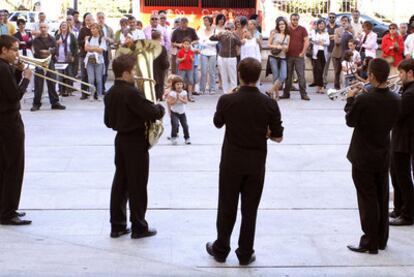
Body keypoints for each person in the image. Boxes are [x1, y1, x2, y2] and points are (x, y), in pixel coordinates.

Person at [206, 57, 284, 265]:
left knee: (226, 206)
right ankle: (245, 252)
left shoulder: (227, 100)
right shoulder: (269, 103)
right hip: (256, 162)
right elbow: (278, 136)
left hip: (231, 161)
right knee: (250, 210)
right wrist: (264, 133)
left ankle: (221, 249)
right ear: (258, 76)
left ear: (239, 75)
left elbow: (217, 123)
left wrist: (227, 97)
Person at [104, 54, 165, 239]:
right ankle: (139, 226)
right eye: (134, 71)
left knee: (120, 183)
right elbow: (152, 112)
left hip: (120, 141)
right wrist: (160, 107)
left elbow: (108, 121)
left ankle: (118, 225)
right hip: (135, 142)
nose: (136, 74)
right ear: (125, 73)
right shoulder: (131, 92)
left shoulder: (111, 92)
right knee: (137, 185)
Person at [345, 58, 400, 254]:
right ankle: (381, 238)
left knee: (367, 199)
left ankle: (370, 241)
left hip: (362, 155)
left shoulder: (364, 99)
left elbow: (350, 120)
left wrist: (351, 97)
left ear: (372, 76)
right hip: (383, 152)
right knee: (382, 196)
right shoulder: (396, 99)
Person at [0, 35, 33, 225]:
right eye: (13, 49)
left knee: (4, 165)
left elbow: (8, 89)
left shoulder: (5, 68)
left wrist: (19, 73)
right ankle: (8, 211)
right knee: (14, 166)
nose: (17, 53)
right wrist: (27, 79)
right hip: (9, 121)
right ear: (4, 50)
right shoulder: (3, 68)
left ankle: (4, 208)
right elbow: (14, 95)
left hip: (4, 121)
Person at [389, 59, 414, 226]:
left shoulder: (411, 93)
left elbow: (397, 114)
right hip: (401, 138)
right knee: (396, 175)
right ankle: (399, 208)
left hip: (405, 140)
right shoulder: (408, 89)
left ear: (410, 73)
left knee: (402, 177)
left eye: (401, 73)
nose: (399, 76)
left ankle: (408, 214)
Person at [31, 23, 66, 111]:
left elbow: (55, 51)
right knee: (38, 84)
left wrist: (46, 51)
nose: (43, 29)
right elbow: (38, 52)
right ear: (39, 28)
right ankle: (36, 104)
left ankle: (55, 103)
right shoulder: (36, 40)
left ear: (47, 28)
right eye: (41, 27)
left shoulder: (52, 39)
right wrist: (49, 51)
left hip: (50, 63)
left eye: (44, 27)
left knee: (52, 82)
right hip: (39, 63)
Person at [281, 13, 310, 100]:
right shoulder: (287, 29)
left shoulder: (302, 29)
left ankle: (303, 94)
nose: (295, 21)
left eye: (296, 19)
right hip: (288, 56)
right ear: (290, 20)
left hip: (299, 56)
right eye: (293, 19)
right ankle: (286, 94)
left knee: (301, 76)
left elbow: (306, 41)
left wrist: (303, 52)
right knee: (288, 76)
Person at [210, 22, 241, 94]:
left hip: (231, 57)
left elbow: (239, 43)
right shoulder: (222, 35)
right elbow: (211, 38)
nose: (227, 30)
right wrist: (217, 34)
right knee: (224, 76)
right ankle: (226, 92)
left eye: (229, 28)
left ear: (233, 29)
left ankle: (234, 91)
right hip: (221, 57)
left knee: (233, 75)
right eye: (226, 28)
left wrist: (233, 34)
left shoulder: (234, 35)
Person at [267, 16, 290, 99]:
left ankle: (271, 91)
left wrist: (285, 48)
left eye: (283, 24)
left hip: (283, 58)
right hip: (273, 57)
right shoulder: (274, 33)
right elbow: (268, 44)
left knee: (283, 76)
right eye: (280, 24)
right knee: (275, 77)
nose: (281, 25)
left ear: (285, 25)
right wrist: (276, 46)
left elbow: (287, 49)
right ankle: (276, 95)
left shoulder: (288, 36)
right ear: (277, 25)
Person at [55, 21, 78, 97]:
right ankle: (61, 91)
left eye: (65, 25)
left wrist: (73, 56)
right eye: (62, 25)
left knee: (69, 74)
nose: (64, 26)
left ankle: (69, 91)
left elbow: (75, 47)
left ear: (68, 27)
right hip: (59, 57)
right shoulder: (57, 36)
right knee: (60, 75)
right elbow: (53, 45)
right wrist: (57, 42)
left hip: (68, 57)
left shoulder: (71, 35)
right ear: (60, 27)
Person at [84, 23, 106, 101]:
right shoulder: (88, 38)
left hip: (99, 61)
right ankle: (91, 94)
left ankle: (99, 94)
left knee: (99, 79)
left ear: (98, 29)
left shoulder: (102, 39)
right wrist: (96, 48)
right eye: (91, 29)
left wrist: (91, 48)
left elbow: (101, 50)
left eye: (94, 28)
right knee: (91, 79)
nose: (92, 30)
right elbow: (86, 48)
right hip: (89, 61)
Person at [167, 76, 191, 145]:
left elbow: (186, 102)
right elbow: (170, 103)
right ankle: (173, 137)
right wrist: (176, 99)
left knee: (185, 125)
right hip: (174, 112)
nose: (179, 86)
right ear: (174, 85)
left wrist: (180, 98)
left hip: (182, 113)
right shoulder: (172, 93)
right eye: (177, 84)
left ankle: (187, 138)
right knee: (175, 124)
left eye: (180, 84)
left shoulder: (184, 92)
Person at [198, 16, 218, 95]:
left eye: (206, 20)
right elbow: (200, 41)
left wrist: (206, 41)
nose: (205, 22)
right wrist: (208, 41)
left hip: (213, 53)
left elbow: (216, 42)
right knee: (203, 71)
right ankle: (202, 89)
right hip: (203, 53)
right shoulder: (201, 31)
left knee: (212, 72)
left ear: (210, 22)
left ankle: (212, 89)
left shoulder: (215, 31)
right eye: (204, 21)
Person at [332, 16, 353, 90]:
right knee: (337, 71)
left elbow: (352, 42)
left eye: (346, 21)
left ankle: (347, 87)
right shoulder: (337, 30)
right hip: (337, 54)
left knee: (348, 71)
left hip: (346, 55)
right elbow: (336, 41)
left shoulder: (351, 31)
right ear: (340, 22)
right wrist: (345, 37)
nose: (344, 22)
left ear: (348, 22)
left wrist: (342, 37)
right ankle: (337, 87)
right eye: (342, 21)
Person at [310, 19, 329, 94]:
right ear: (317, 25)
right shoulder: (314, 31)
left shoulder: (326, 33)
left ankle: (318, 87)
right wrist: (320, 41)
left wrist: (321, 42)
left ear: (324, 25)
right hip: (316, 53)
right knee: (319, 69)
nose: (321, 25)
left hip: (323, 53)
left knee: (321, 71)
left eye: (322, 24)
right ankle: (322, 87)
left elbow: (328, 43)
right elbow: (312, 40)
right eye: (320, 24)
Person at [97, 12, 114, 94]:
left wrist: (109, 39)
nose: (101, 19)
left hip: (106, 52)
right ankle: (98, 88)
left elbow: (113, 40)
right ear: (97, 19)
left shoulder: (109, 29)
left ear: (104, 18)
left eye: (102, 18)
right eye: (99, 18)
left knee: (105, 71)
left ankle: (102, 88)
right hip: (97, 52)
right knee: (98, 71)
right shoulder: (94, 27)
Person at [78, 13, 93, 100]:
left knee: (92, 75)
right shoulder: (82, 30)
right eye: (87, 20)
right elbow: (79, 42)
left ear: (93, 20)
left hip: (93, 55)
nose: (88, 22)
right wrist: (84, 40)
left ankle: (92, 92)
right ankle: (84, 93)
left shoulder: (96, 28)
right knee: (84, 75)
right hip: (84, 55)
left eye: (90, 20)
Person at [152, 30, 170, 101]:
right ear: (160, 37)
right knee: (160, 81)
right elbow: (164, 61)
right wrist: (167, 65)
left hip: (151, 68)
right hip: (160, 69)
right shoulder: (162, 48)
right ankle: (159, 96)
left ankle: (153, 96)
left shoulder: (149, 47)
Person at [323, 12, 339, 86]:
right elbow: (324, 37)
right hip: (327, 50)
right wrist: (334, 36)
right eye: (330, 17)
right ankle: (324, 81)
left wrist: (330, 36)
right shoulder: (325, 27)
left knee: (336, 68)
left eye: (333, 17)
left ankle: (336, 82)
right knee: (325, 67)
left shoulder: (338, 27)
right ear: (328, 18)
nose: (332, 18)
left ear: (335, 18)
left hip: (336, 50)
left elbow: (338, 36)